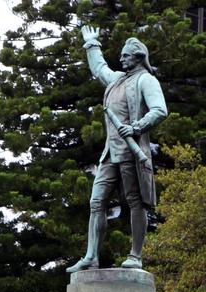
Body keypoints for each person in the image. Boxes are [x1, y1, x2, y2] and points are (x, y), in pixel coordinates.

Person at [66, 26, 168, 273]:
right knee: (96, 202)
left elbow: (160, 110)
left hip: (132, 153)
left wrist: (136, 127)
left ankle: (136, 255)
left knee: (135, 202)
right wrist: (92, 44)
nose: (121, 58)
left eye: (125, 55)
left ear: (138, 58)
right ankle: (91, 255)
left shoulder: (146, 80)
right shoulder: (118, 80)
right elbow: (100, 69)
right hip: (110, 154)